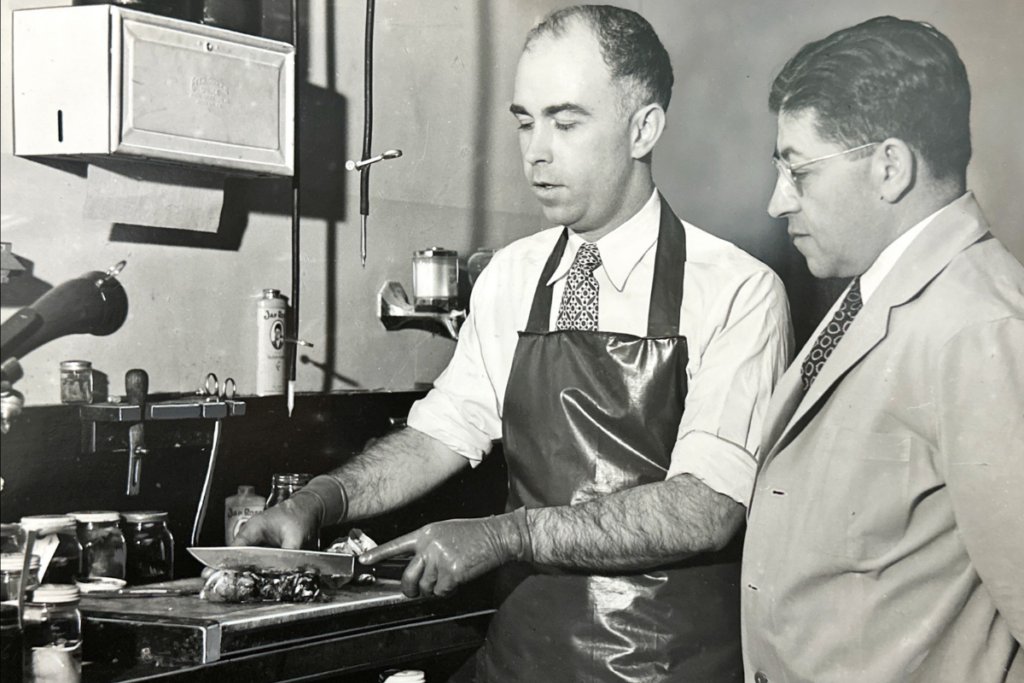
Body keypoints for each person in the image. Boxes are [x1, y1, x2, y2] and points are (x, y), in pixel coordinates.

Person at [238, 6, 792, 681]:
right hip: (520, 661)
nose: (535, 151)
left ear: (643, 128)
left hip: (661, 669)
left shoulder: (737, 290)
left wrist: (506, 533)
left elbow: (704, 508)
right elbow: (440, 433)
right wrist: (315, 501)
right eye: (525, 121)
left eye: (565, 122)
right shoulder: (513, 275)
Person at [742, 16, 1024, 683]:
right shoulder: (870, 288)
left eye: (798, 171)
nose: (777, 200)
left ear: (890, 166)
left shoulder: (981, 327)